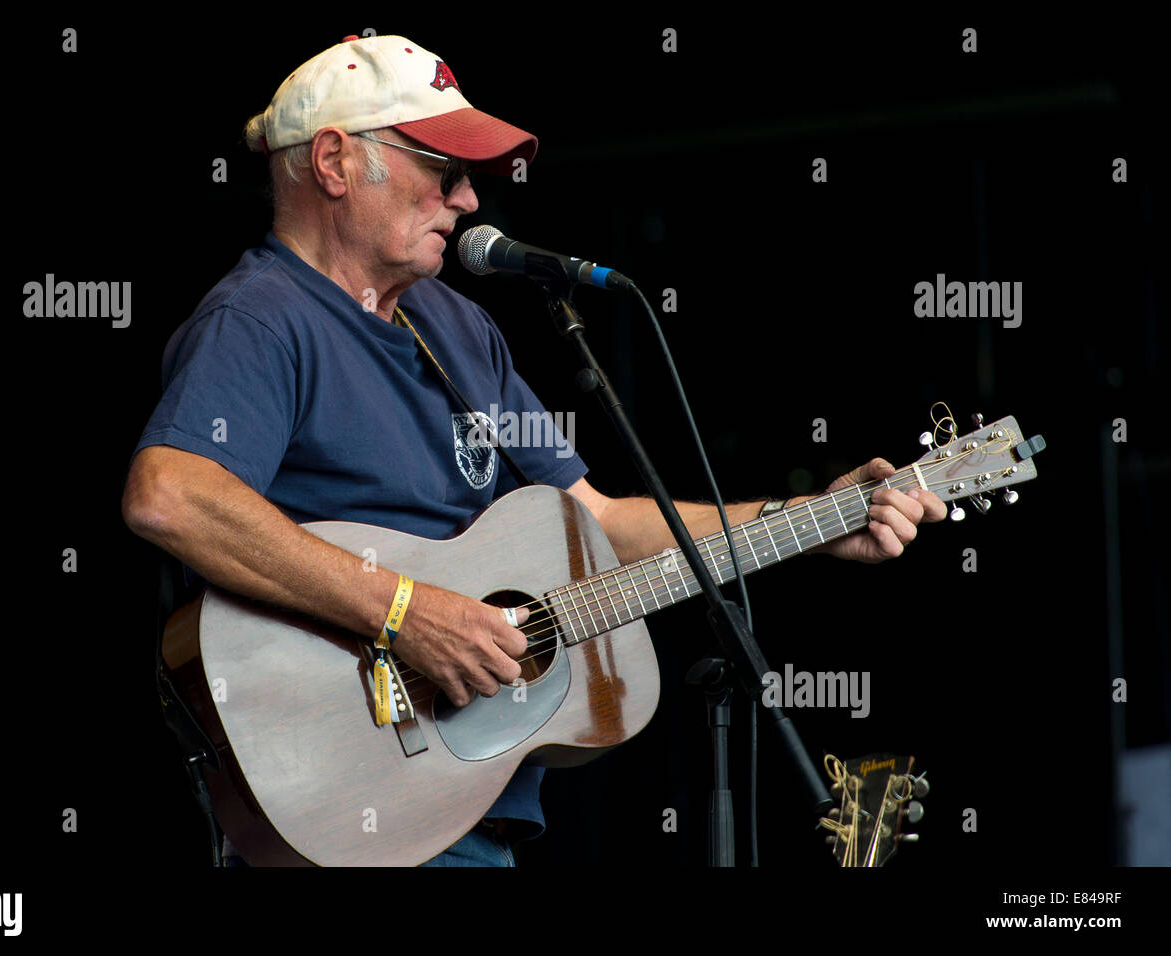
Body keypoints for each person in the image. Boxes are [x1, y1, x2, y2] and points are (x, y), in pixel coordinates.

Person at [120, 33, 946, 867]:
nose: (470, 200)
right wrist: (407, 613)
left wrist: (805, 519)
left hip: (470, 810)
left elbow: (596, 525)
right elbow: (170, 494)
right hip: (343, 803)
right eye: (444, 170)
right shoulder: (263, 320)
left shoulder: (458, 328)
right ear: (334, 161)